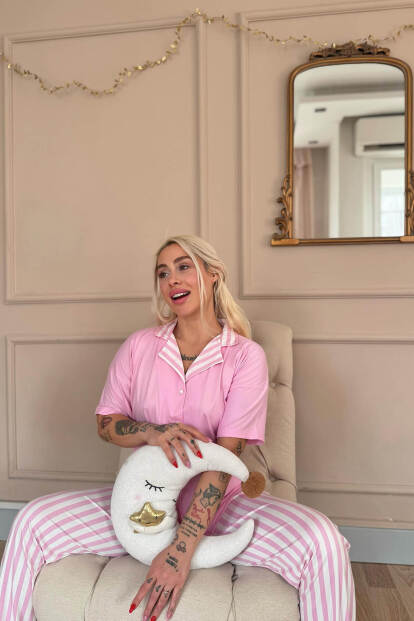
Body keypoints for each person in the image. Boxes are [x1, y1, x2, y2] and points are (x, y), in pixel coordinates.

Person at [0, 233, 356, 621]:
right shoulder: (139, 347)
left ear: (213, 273)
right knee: (32, 521)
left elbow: (226, 457)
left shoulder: (245, 357)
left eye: (183, 267)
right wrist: (150, 431)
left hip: (224, 507)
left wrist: (180, 550)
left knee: (323, 541)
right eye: (163, 273)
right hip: (138, 504)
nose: (172, 280)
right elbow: (106, 423)